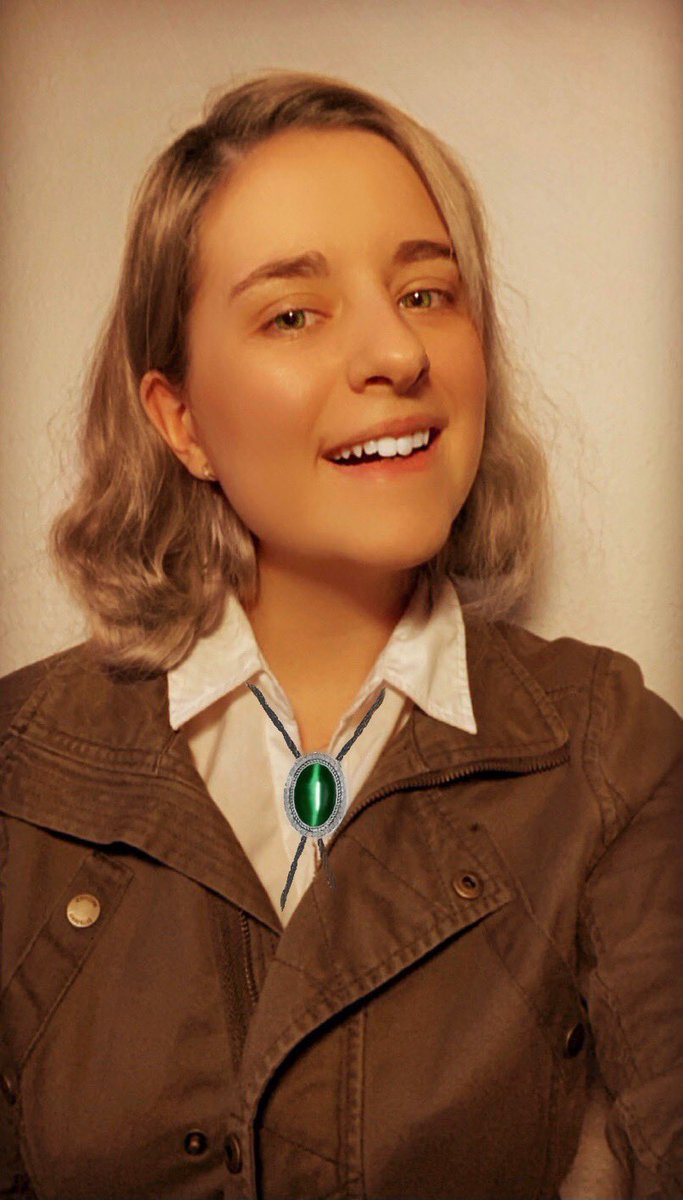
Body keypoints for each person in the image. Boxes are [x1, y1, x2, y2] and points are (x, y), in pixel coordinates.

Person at [0, 67, 681, 1200]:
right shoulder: (16, 761)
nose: (397, 354)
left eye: (425, 292)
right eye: (293, 313)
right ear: (181, 420)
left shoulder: (611, 746)